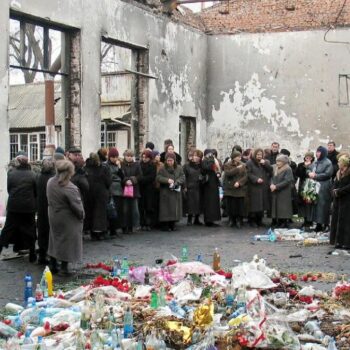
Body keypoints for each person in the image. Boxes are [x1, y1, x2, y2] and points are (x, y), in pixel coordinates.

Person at [47, 160, 84, 275]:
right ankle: (64, 268)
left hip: (53, 214)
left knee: (54, 239)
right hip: (67, 218)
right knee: (67, 242)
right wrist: (81, 215)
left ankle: (53, 264)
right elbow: (77, 206)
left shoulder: (50, 182)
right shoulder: (69, 187)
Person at [0, 151, 37, 262]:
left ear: (18, 162)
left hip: (14, 206)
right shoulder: (33, 174)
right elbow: (35, 192)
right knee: (30, 229)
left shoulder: (11, 173)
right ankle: (32, 254)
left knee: (7, 229)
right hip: (28, 207)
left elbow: (9, 189)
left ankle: (0, 247)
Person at [85, 152, 112, 240]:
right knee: (101, 214)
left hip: (90, 193)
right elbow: (108, 182)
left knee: (92, 213)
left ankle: (93, 233)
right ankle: (101, 232)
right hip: (101, 193)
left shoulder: (86, 168)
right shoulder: (103, 168)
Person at [157, 153, 185, 231]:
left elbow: (182, 176)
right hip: (165, 192)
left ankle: (173, 224)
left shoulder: (179, 168)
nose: (170, 162)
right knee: (166, 209)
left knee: (174, 209)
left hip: (175, 191)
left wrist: (177, 182)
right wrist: (167, 180)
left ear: (174, 160)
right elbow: (158, 177)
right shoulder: (162, 168)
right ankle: (165, 225)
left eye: (171, 160)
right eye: (168, 160)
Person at [308, 146, 333, 232]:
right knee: (316, 206)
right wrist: (309, 173)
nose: (317, 153)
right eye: (317, 151)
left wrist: (316, 176)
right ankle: (318, 224)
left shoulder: (328, 162)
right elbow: (309, 169)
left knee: (323, 206)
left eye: (319, 152)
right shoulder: (315, 162)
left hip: (324, 187)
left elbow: (328, 174)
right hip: (315, 186)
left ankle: (325, 224)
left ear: (323, 153)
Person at [246, 148, 273, 227]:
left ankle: (259, 220)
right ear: (255, 155)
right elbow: (248, 173)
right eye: (258, 154)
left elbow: (271, 171)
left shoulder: (265, 162)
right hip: (254, 187)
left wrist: (265, 164)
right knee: (254, 204)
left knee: (262, 204)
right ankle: (252, 220)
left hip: (263, 186)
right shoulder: (250, 162)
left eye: (261, 155)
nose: (259, 156)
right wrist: (256, 179)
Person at [36, 158, 55, 264]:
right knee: (50, 232)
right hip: (50, 207)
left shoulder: (38, 177)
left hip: (40, 207)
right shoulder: (53, 178)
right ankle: (50, 256)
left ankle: (42, 256)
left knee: (42, 231)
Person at [223, 150, 248, 228]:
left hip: (239, 188)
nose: (239, 158)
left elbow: (246, 176)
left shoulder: (243, 165)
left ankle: (239, 220)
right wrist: (237, 168)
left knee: (239, 205)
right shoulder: (227, 165)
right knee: (231, 205)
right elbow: (228, 174)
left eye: (240, 157)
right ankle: (231, 219)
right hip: (230, 188)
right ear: (233, 157)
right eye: (238, 157)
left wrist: (239, 183)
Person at [330, 154, 350, 250]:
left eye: (339, 162)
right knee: (337, 220)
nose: (338, 163)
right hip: (338, 200)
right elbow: (334, 184)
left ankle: (346, 243)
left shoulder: (349, 172)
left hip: (347, 200)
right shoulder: (338, 172)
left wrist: (339, 191)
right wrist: (334, 190)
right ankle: (338, 241)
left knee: (346, 222)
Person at [270, 154, 294, 228]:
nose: (277, 163)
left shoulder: (288, 169)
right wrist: (271, 184)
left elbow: (287, 180)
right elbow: (272, 177)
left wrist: (276, 186)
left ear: (283, 162)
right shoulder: (276, 168)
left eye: (279, 161)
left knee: (284, 207)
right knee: (278, 207)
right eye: (277, 161)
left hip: (284, 191)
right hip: (276, 190)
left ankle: (284, 221)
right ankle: (279, 221)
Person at [121, 149, 141, 234]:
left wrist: (132, 180)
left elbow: (140, 175)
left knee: (134, 210)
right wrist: (126, 180)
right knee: (125, 210)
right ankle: (125, 226)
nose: (129, 157)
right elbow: (120, 175)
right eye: (127, 156)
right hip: (124, 190)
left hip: (134, 190)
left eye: (130, 156)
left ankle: (133, 226)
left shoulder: (136, 165)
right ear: (125, 156)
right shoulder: (122, 165)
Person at [105, 147, 124, 237]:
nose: (115, 158)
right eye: (113, 157)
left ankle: (115, 229)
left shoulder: (118, 165)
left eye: (116, 156)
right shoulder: (106, 165)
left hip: (119, 190)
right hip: (111, 190)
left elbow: (122, 176)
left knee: (118, 210)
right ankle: (111, 230)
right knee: (111, 210)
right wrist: (117, 178)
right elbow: (110, 176)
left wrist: (119, 168)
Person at [201, 149, 221, 226]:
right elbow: (207, 168)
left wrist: (218, 173)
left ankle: (213, 219)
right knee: (209, 203)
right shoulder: (204, 161)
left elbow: (217, 169)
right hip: (208, 185)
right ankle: (208, 220)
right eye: (209, 154)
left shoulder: (214, 161)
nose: (211, 156)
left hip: (214, 183)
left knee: (214, 203)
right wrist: (212, 161)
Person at [183, 149, 203, 226]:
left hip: (199, 186)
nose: (196, 157)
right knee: (190, 204)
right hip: (190, 186)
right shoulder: (187, 166)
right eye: (194, 156)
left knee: (198, 203)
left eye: (197, 156)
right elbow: (184, 176)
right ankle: (189, 219)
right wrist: (185, 186)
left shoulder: (201, 166)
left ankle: (197, 219)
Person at [295, 151, 315, 230]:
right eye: (307, 157)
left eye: (310, 158)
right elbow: (298, 173)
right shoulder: (301, 164)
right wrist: (304, 166)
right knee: (303, 204)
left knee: (309, 204)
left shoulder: (314, 165)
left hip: (310, 187)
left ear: (312, 158)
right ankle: (305, 220)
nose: (308, 159)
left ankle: (310, 221)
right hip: (302, 186)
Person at [139, 149, 157, 231]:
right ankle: (142, 223)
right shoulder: (139, 165)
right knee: (141, 207)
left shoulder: (152, 165)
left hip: (149, 189)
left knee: (149, 207)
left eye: (146, 157)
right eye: (143, 157)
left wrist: (142, 179)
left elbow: (152, 177)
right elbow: (138, 175)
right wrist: (141, 179)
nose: (144, 159)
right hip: (141, 189)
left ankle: (149, 223)